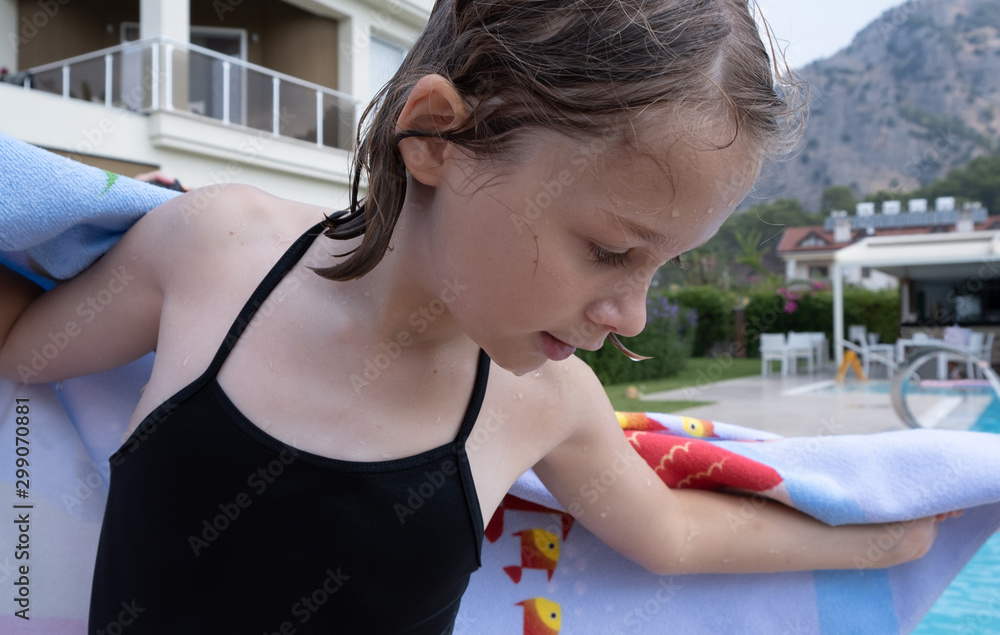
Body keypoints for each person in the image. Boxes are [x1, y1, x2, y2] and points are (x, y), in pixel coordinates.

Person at [0, 0, 957, 632]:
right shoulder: (212, 251)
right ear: (439, 136)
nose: (632, 315)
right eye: (612, 249)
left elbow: (671, 534)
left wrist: (882, 536)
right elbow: (27, 352)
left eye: (663, 266)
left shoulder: (541, 401)